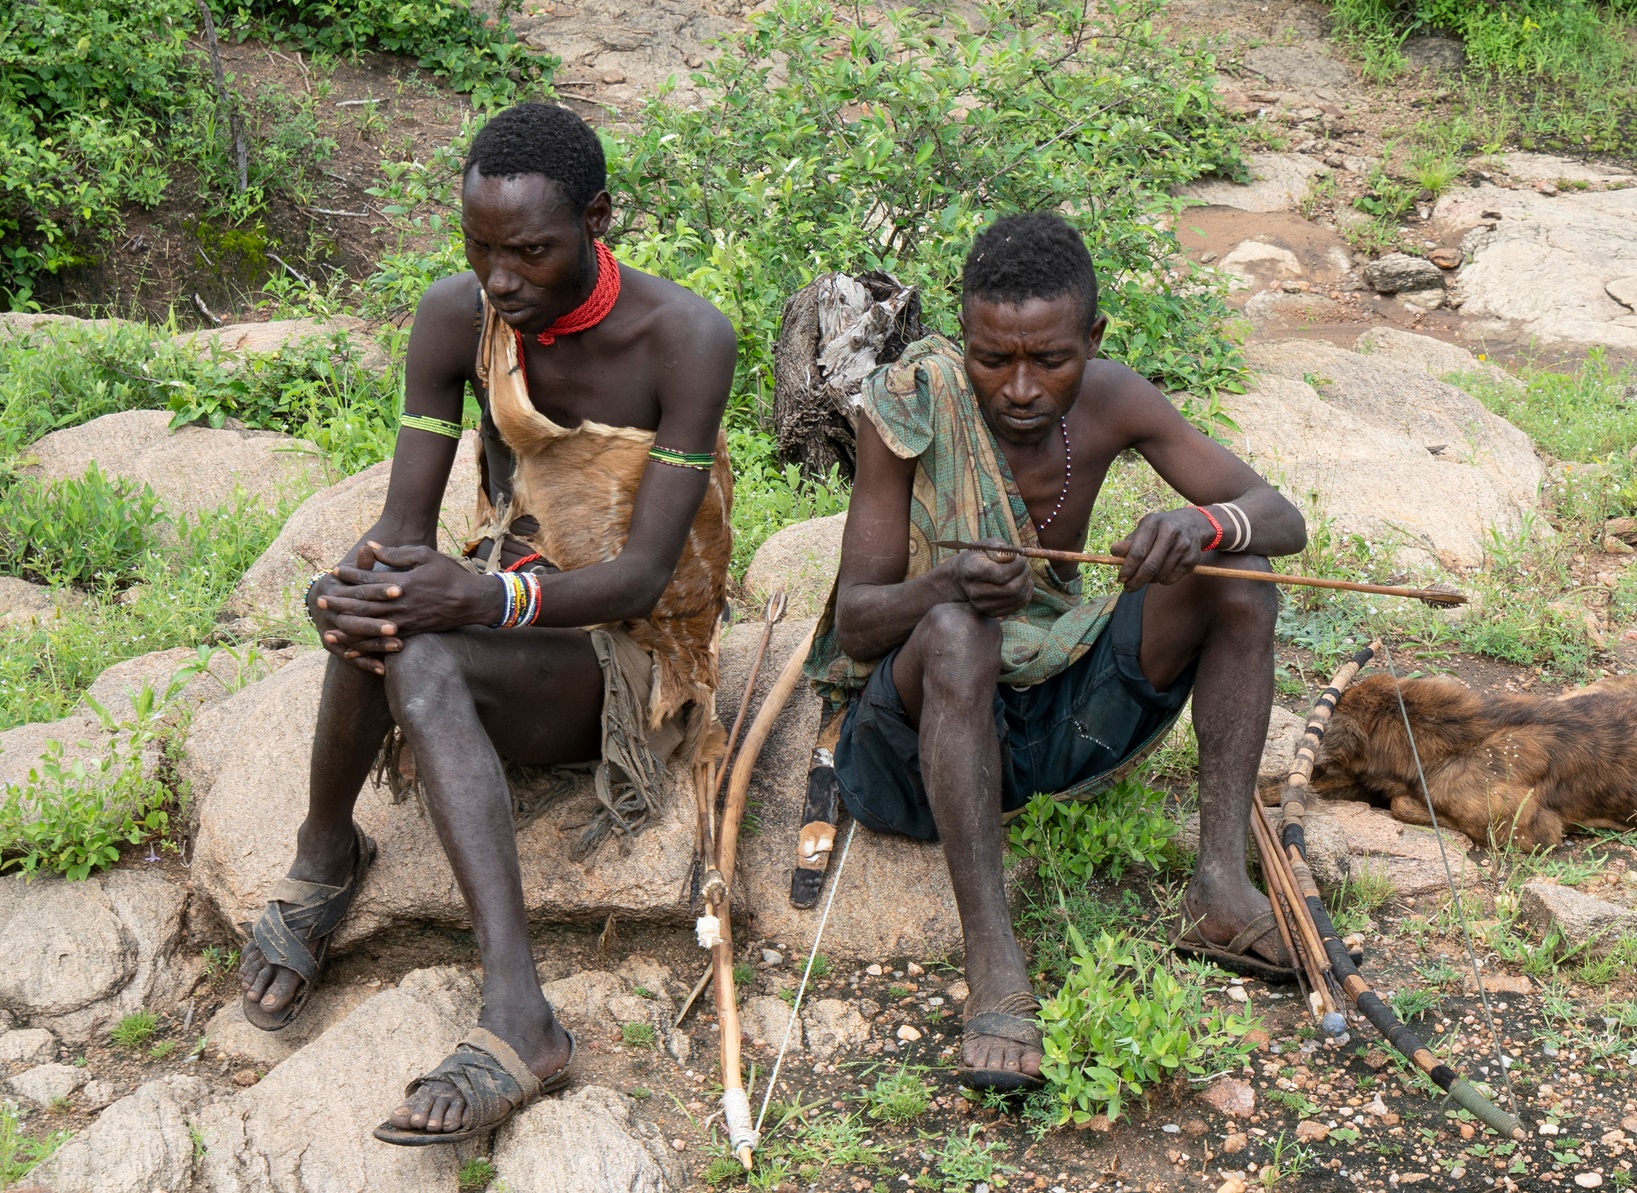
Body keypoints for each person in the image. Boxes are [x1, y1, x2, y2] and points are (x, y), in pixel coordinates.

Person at [236, 102, 737, 1143]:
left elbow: (643, 579)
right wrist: (348, 582)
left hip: (624, 658)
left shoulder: (682, 337)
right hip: (508, 622)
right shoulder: (457, 315)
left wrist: (487, 597)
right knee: (381, 617)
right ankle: (327, 851)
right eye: (478, 248)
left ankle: (518, 1011)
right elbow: (402, 530)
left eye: (529, 251)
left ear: (600, 219)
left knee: (421, 658)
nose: (499, 278)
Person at [804, 212, 1307, 1092]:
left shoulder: (1117, 400)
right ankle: (993, 960)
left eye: (1050, 360)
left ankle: (1220, 887)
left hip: (1049, 725)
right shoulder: (911, 405)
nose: (1020, 387)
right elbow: (856, 622)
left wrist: (1201, 523)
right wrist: (944, 586)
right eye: (992, 359)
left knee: (1240, 575)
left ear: (1093, 341)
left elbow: (1279, 517)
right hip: (912, 741)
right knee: (958, 632)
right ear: (962, 341)